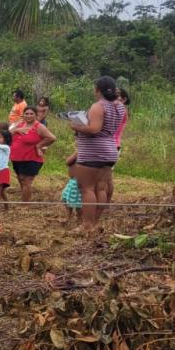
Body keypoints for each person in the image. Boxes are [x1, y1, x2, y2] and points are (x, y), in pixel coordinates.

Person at [69, 76, 126, 233]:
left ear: (97, 89)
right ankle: (95, 222)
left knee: (86, 188)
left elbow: (94, 129)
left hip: (93, 151)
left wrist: (76, 126)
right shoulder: (120, 107)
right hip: (110, 150)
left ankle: (87, 224)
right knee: (101, 188)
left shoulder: (98, 106)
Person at [9, 106, 56, 202]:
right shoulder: (20, 124)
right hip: (17, 158)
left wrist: (39, 145)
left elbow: (52, 138)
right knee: (20, 179)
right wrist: (16, 130)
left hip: (32, 158)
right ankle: (25, 198)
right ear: (23, 115)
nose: (29, 116)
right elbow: (6, 134)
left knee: (26, 181)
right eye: (27, 113)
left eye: (31, 114)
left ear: (35, 115)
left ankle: (25, 205)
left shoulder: (39, 127)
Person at [108, 87, 130, 203]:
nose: (114, 97)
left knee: (106, 176)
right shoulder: (116, 108)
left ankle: (105, 202)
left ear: (124, 99)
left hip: (113, 145)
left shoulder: (121, 110)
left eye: (117, 95)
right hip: (111, 145)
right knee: (106, 176)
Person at [60, 155, 83, 227]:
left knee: (78, 202)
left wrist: (76, 151)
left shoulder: (79, 152)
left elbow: (68, 162)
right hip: (73, 181)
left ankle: (79, 218)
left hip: (77, 182)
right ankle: (69, 216)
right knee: (66, 198)